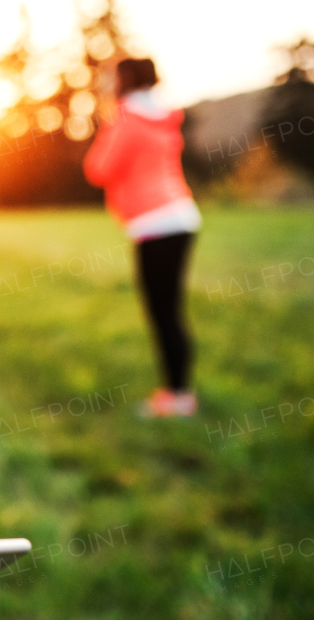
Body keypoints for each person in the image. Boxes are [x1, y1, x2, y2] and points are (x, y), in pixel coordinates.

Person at [83, 57, 202, 418]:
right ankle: (179, 391)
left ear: (126, 80)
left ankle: (177, 396)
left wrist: (108, 121)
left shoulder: (127, 119)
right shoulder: (164, 119)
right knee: (171, 311)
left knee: (162, 313)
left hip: (155, 223)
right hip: (182, 217)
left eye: (114, 77)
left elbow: (97, 169)